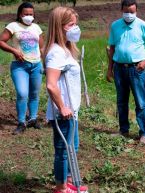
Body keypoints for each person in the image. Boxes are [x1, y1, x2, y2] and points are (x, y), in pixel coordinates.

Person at [44, 7, 88, 193]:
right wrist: (62, 107)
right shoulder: (56, 52)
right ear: (60, 27)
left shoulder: (66, 49)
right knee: (63, 150)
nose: (75, 28)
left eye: (76, 24)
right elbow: (51, 85)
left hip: (72, 110)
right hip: (64, 112)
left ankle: (69, 181)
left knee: (73, 147)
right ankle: (61, 188)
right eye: (71, 25)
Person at [107, 0, 145, 145]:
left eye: (132, 12)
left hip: (136, 69)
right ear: (121, 10)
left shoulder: (143, 25)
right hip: (119, 68)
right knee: (121, 101)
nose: (129, 14)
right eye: (126, 11)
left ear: (136, 11)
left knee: (141, 103)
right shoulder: (115, 25)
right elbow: (111, 47)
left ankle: (144, 133)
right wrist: (109, 68)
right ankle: (123, 130)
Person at [0, 2, 43, 135]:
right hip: (20, 67)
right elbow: (1, 41)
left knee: (34, 94)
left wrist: (45, 61)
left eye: (31, 14)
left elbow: (41, 47)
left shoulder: (36, 27)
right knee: (23, 93)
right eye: (26, 14)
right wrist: (14, 51)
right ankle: (21, 122)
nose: (28, 16)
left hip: (36, 65)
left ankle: (33, 119)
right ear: (20, 14)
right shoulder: (13, 26)